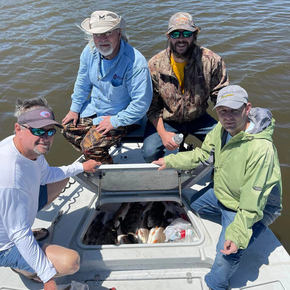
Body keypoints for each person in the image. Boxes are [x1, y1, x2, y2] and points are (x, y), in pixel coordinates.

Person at [152, 85, 282, 290]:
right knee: (194, 204)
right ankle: (234, 226)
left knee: (226, 255)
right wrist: (172, 161)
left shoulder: (260, 149)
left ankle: (216, 284)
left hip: (249, 205)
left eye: (234, 110)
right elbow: (202, 156)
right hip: (225, 193)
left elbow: (251, 201)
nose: (227, 116)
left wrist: (236, 235)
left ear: (247, 108)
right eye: (222, 111)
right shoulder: (221, 129)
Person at [0, 97, 100, 290]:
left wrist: (80, 167)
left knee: (63, 177)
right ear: (18, 129)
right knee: (70, 262)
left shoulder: (30, 150)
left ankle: (31, 243)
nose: (45, 138)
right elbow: (19, 234)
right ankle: (24, 268)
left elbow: (46, 175)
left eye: (50, 131)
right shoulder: (9, 176)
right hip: (6, 244)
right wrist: (48, 279)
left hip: (14, 215)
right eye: (37, 131)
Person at [62, 10, 153, 164]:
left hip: (124, 116)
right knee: (66, 129)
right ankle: (98, 157)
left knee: (90, 146)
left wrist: (115, 121)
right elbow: (82, 82)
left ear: (119, 33)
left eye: (108, 32)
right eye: (97, 34)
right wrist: (74, 108)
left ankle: (109, 173)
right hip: (95, 109)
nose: (102, 39)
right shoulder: (89, 51)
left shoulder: (135, 63)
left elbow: (141, 104)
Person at [142, 12, 229, 163]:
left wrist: (230, 122)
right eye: (175, 34)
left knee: (227, 145)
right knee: (149, 153)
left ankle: (218, 176)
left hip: (199, 119)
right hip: (168, 120)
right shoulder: (154, 65)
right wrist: (163, 134)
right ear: (168, 37)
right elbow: (152, 106)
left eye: (186, 33)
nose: (181, 39)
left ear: (195, 35)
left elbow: (221, 97)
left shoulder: (212, 61)